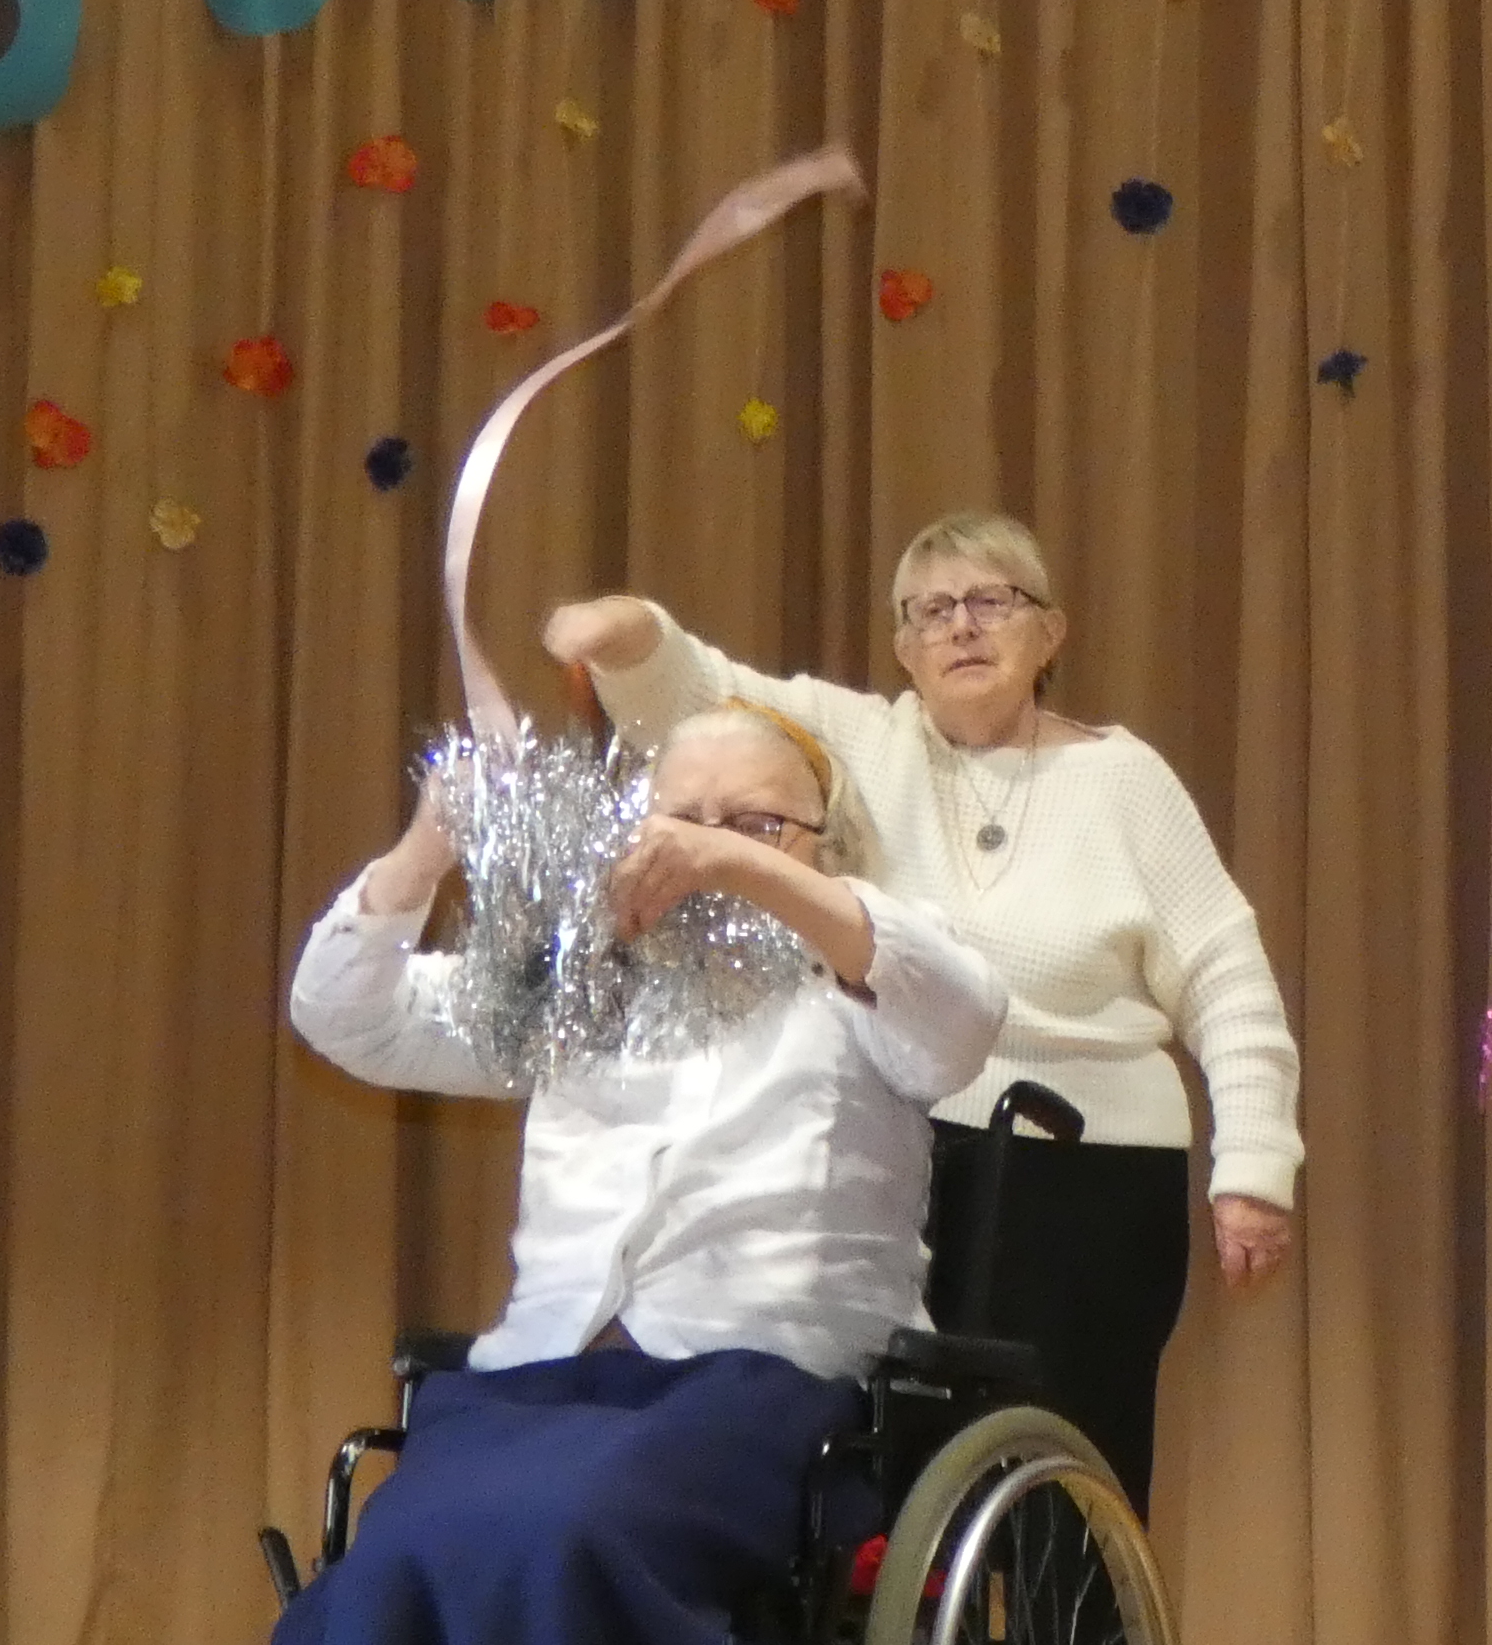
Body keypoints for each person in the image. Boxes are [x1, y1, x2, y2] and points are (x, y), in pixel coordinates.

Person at [246, 702, 1005, 1645]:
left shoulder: (856, 985)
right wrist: (441, 834)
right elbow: (346, 1010)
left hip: (762, 1386)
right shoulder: (573, 987)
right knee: (372, 1595)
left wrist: (745, 867)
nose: (708, 848)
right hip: (546, 1380)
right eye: (681, 817)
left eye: (757, 821)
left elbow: (960, 1006)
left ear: (820, 847)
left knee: (557, 1554)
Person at [544, 514, 1293, 1511]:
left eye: (993, 601)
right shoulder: (863, 743)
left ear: (1051, 633)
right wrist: (624, 631)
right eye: (931, 611)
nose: (962, 628)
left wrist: (1255, 1166)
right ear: (904, 649)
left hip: (1092, 1180)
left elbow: (1225, 974)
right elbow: (697, 695)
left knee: (1071, 1481)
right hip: (903, 1157)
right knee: (885, 1468)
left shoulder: (1124, 779)